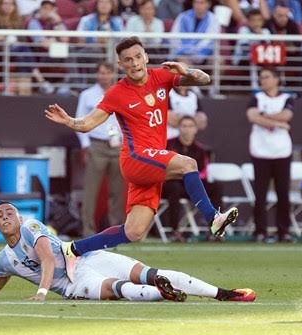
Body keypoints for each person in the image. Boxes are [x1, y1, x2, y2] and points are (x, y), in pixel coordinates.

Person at [45, 36, 238, 280]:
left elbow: (205, 79)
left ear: (145, 57)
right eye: (128, 60)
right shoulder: (117, 93)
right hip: (136, 158)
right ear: (121, 65)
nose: (135, 63)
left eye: (138, 57)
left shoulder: (162, 76)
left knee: (133, 231)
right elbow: (87, 124)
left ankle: (72, 250)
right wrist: (70, 121)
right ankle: (213, 219)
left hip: (153, 161)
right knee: (188, 163)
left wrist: (186, 70)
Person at [0, 201, 256, 302]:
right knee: (115, 289)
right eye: (0, 216)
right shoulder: (4, 259)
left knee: (146, 271)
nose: (5, 216)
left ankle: (223, 294)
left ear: (19, 217)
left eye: (9, 211)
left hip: (84, 259)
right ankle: (162, 294)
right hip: (72, 284)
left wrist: (41, 292)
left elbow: (46, 257)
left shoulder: (32, 227)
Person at [76, 61, 125, 237]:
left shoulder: (121, 92)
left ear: (112, 74)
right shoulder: (87, 95)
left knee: (117, 191)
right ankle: (88, 230)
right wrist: (86, 145)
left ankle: (115, 231)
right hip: (96, 144)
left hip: (117, 144)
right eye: (101, 73)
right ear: (97, 74)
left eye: (107, 73)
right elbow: (79, 120)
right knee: (91, 191)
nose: (104, 76)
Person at [246, 66, 294, 243]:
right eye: (261, 77)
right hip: (260, 151)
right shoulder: (256, 97)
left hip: (282, 151)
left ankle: (284, 231)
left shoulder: (286, 97)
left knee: (283, 193)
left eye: (266, 77)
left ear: (276, 79)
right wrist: (278, 123)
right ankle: (260, 231)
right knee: (260, 194)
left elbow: (286, 115)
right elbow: (252, 116)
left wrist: (264, 115)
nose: (263, 80)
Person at [163, 115, 223, 242]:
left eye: (190, 126)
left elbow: (203, 172)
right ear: (178, 128)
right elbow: (164, 167)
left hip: (192, 184)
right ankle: (174, 231)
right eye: (184, 126)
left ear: (195, 129)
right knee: (173, 188)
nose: (187, 129)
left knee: (216, 187)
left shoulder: (200, 150)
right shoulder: (168, 145)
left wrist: (188, 176)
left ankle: (215, 229)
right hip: (173, 183)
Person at [169, 0, 220, 65]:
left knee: (219, 61)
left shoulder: (213, 18)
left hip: (204, 53)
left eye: (201, 3)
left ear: (209, 4)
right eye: (196, 2)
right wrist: (186, 52)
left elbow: (209, 41)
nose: (198, 5)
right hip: (182, 52)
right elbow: (174, 38)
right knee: (183, 62)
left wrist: (195, 53)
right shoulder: (182, 16)